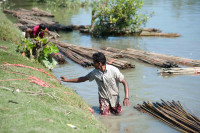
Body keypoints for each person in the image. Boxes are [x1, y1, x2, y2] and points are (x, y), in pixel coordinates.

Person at [60, 52, 130, 116]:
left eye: (94, 62)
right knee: (105, 117)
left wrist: (126, 98)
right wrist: (67, 80)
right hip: (103, 99)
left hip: (114, 98)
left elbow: (125, 83)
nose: (93, 64)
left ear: (99, 63)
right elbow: (83, 79)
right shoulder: (94, 72)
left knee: (119, 115)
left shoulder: (114, 70)